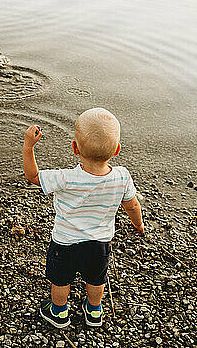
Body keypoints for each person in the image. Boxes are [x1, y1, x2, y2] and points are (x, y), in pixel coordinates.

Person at [22, 108, 144, 328]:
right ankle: (94, 311)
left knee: (61, 280)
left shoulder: (65, 179)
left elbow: (32, 176)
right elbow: (132, 205)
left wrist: (29, 146)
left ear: (74, 148)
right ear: (117, 150)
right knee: (96, 279)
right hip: (99, 243)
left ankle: (59, 312)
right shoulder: (122, 177)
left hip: (64, 242)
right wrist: (138, 224)